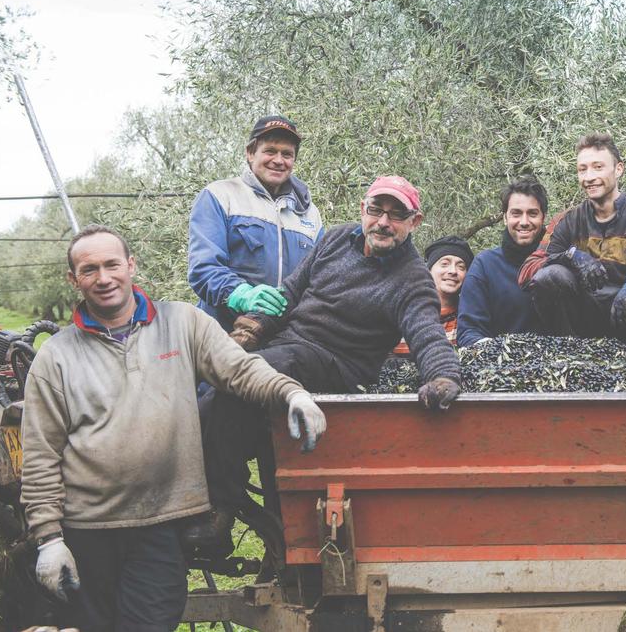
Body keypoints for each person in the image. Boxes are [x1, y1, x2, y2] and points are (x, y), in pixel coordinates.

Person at [20, 225, 325, 632]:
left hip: (161, 526)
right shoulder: (55, 357)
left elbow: (239, 369)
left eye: (112, 264)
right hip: (86, 532)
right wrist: (49, 540)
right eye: (89, 269)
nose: (104, 278)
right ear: (73, 280)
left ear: (131, 265)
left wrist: (291, 393)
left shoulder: (182, 323)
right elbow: (41, 454)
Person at [184, 176, 463, 550]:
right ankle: (219, 511)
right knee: (210, 391)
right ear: (363, 209)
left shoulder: (412, 281)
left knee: (243, 382)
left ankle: (219, 510)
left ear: (415, 222)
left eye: (397, 215)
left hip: (336, 364)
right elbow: (291, 291)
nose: (383, 222)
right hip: (289, 348)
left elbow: (427, 334)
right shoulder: (334, 239)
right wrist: (251, 329)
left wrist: (443, 377)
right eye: (377, 210)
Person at [518, 132, 626, 345]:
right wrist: (568, 257)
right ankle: (568, 352)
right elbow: (528, 269)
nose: (589, 177)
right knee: (549, 276)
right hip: (584, 321)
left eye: (598, 167)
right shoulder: (567, 221)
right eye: (582, 169)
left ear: (618, 169)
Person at [188, 115, 323, 332]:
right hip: (222, 335)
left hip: (285, 340)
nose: (279, 160)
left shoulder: (309, 213)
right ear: (250, 153)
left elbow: (320, 279)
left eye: (287, 154)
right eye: (270, 151)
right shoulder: (220, 196)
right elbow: (203, 268)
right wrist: (241, 294)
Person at [458, 178, 547, 345]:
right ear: (505, 218)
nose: (524, 222)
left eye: (532, 213)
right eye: (516, 213)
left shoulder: (558, 262)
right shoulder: (485, 265)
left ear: (543, 217)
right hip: (501, 365)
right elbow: (469, 331)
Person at [393, 235, 473, 356]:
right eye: (444, 264)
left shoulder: (468, 318)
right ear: (429, 270)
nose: (453, 271)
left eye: (461, 266)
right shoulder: (403, 312)